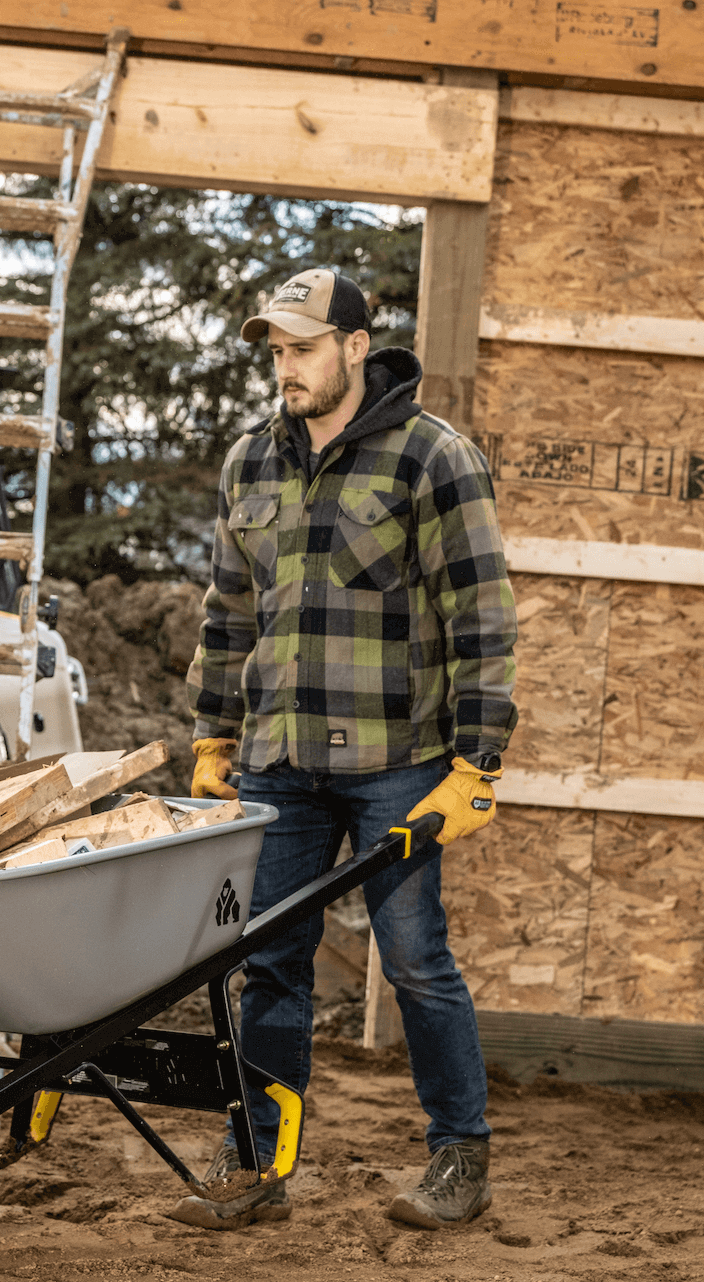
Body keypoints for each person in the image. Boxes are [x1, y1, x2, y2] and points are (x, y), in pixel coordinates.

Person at [172, 267, 518, 1232]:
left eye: (303, 349)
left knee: (414, 960)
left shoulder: (431, 458)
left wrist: (476, 763)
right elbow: (228, 610)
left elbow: (481, 617)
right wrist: (213, 731)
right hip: (280, 761)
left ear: (357, 347)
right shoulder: (253, 460)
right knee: (269, 962)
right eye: (276, 351)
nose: (285, 368)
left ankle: (460, 1156)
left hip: (395, 763)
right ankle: (255, 1161)